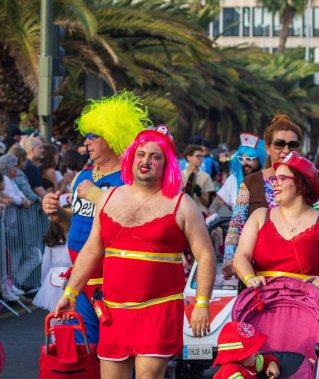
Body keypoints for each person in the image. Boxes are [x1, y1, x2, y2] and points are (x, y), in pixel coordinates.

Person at [55, 126, 216, 379]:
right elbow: (92, 249)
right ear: (131, 157)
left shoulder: (181, 203)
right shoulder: (109, 199)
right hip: (114, 311)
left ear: (166, 164)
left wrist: (202, 304)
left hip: (158, 310)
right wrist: (70, 292)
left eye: (155, 156)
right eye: (141, 154)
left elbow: (206, 255)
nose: (146, 161)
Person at [42, 91, 149, 343]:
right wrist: (57, 215)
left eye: (93, 136)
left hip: (114, 283)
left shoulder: (130, 177)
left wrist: (95, 196)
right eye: (86, 136)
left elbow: (133, 221)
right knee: (84, 347)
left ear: (112, 137)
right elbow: (77, 222)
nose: (87, 142)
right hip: (80, 280)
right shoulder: (83, 175)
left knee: (117, 349)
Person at [233, 152, 319, 309]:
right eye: (274, 178)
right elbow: (241, 256)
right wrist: (250, 279)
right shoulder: (259, 216)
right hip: (263, 306)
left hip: (309, 309)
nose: (274, 184)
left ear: (301, 183)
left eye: (282, 178)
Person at [223, 114, 318, 279]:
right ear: (267, 147)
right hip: (257, 276)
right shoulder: (251, 182)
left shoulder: (310, 180)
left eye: (293, 145)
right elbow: (236, 224)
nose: (286, 150)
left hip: (302, 275)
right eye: (279, 144)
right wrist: (231, 259)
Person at [209, 133, 267, 218]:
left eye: (248, 159)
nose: (243, 163)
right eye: (241, 159)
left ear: (260, 160)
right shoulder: (233, 179)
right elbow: (215, 206)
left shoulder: (269, 179)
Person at [212, 321, 280, 379]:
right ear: (239, 356)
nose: (257, 353)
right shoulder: (229, 371)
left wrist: (272, 365)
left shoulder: (250, 364)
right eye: (252, 351)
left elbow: (266, 360)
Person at [33, 213, 71, 312]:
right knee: (56, 313)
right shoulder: (52, 239)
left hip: (72, 277)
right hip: (55, 280)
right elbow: (46, 262)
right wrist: (43, 282)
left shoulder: (75, 237)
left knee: (71, 313)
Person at [182, 144, 215, 216]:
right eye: (198, 156)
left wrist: (199, 193)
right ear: (189, 157)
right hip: (183, 212)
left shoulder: (205, 176)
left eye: (202, 156)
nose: (201, 158)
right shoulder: (180, 176)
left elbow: (206, 202)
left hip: (200, 212)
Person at [20, 136, 47, 200]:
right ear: (32, 150)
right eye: (40, 148)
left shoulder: (28, 165)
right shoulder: (31, 167)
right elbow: (41, 192)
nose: (43, 150)